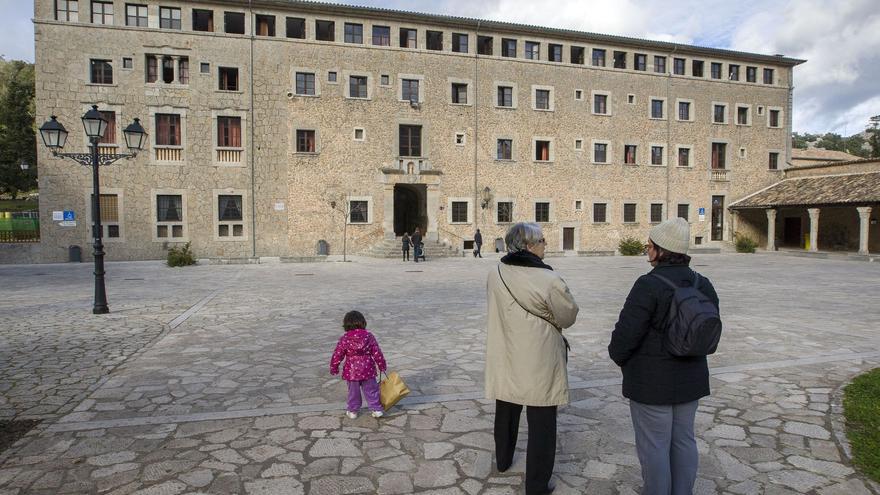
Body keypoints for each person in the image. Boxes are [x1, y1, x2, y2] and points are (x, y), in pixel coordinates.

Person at [608, 218, 719, 495]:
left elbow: (626, 335)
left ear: (660, 250)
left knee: (654, 445)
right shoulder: (702, 283)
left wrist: (620, 357)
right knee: (683, 440)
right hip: (691, 378)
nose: (647, 249)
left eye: (650, 245)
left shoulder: (648, 285)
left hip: (651, 383)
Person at [485, 222, 579, 495]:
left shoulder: (496, 272)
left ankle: (503, 461)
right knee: (542, 424)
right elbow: (568, 316)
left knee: (506, 411)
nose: (545, 244)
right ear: (528, 246)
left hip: (506, 352)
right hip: (539, 357)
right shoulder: (550, 280)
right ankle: (536, 485)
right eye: (542, 241)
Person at [330, 310, 387, 419]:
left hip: (352, 371)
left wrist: (334, 367)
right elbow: (376, 352)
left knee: (353, 392)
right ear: (363, 322)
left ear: (346, 324)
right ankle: (376, 409)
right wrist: (381, 365)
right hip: (368, 369)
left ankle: (353, 411)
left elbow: (338, 353)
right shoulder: (369, 336)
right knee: (372, 390)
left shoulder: (345, 338)